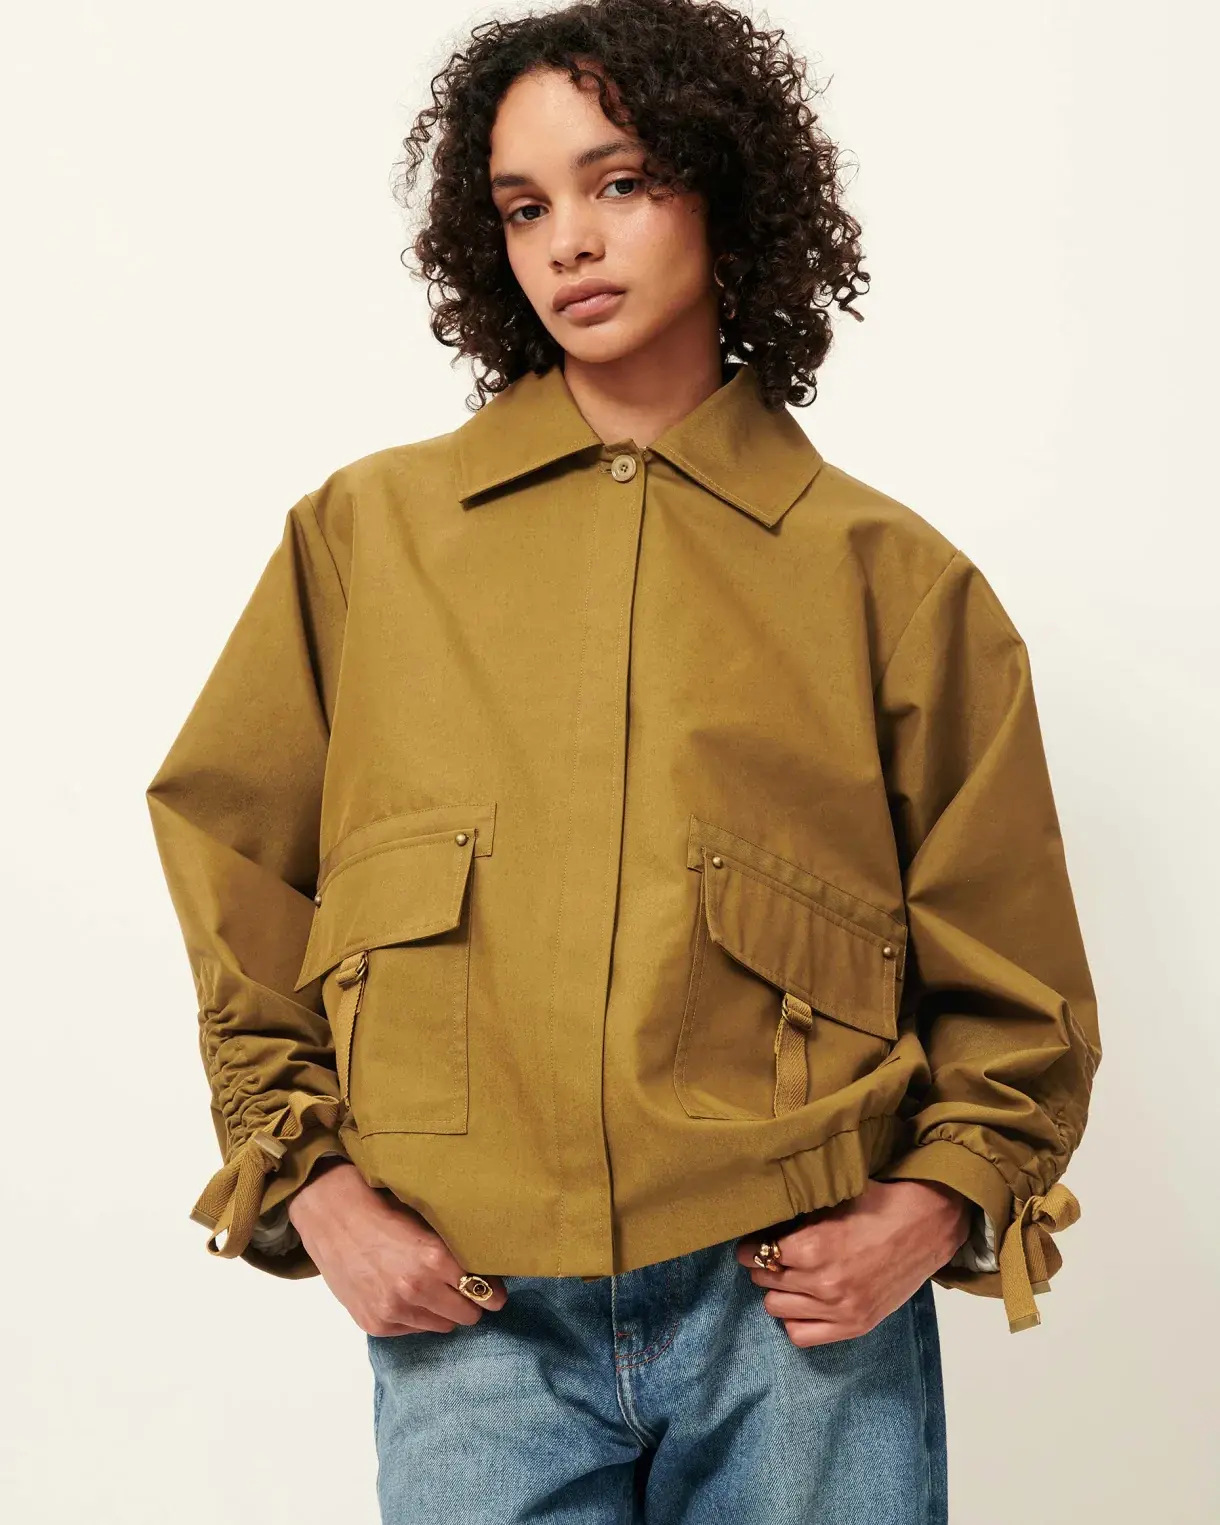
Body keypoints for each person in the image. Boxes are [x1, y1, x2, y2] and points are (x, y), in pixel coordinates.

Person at [145, 1, 1101, 1520]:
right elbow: (236, 865)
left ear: (728, 194)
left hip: (796, 1312)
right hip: (470, 1307)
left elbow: (1013, 974)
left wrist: (934, 1206)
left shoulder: (890, 578)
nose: (570, 243)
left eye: (621, 183)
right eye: (525, 207)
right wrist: (313, 1188)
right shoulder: (367, 540)